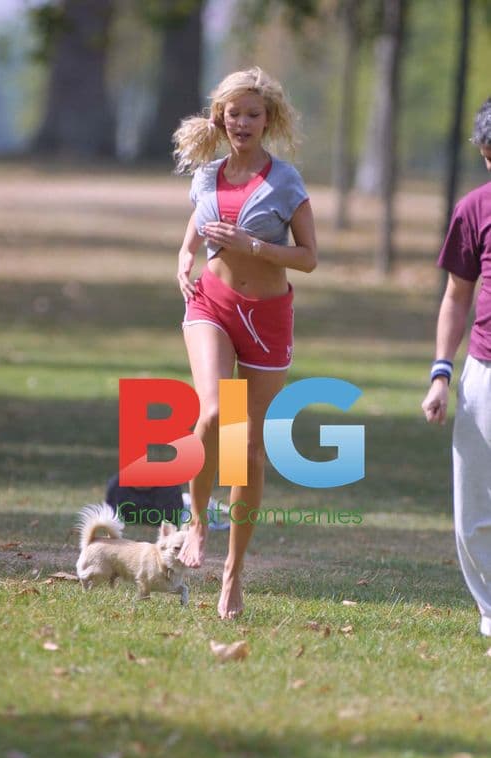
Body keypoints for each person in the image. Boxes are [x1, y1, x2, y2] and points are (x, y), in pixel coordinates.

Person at [172, 66, 317, 619]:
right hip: (211, 304)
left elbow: (308, 257)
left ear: (268, 120)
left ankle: (232, 574)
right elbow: (197, 228)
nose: (242, 122)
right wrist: (184, 258)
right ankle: (196, 521)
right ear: (221, 117)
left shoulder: (286, 182)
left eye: (253, 113)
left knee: (248, 448)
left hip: (268, 318)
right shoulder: (206, 177)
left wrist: (254, 246)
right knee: (212, 416)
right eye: (234, 113)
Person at [421, 97, 491, 637]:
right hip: (483, 374)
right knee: (473, 511)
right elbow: (455, 297)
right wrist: (441, 373)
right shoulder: (474, 209)